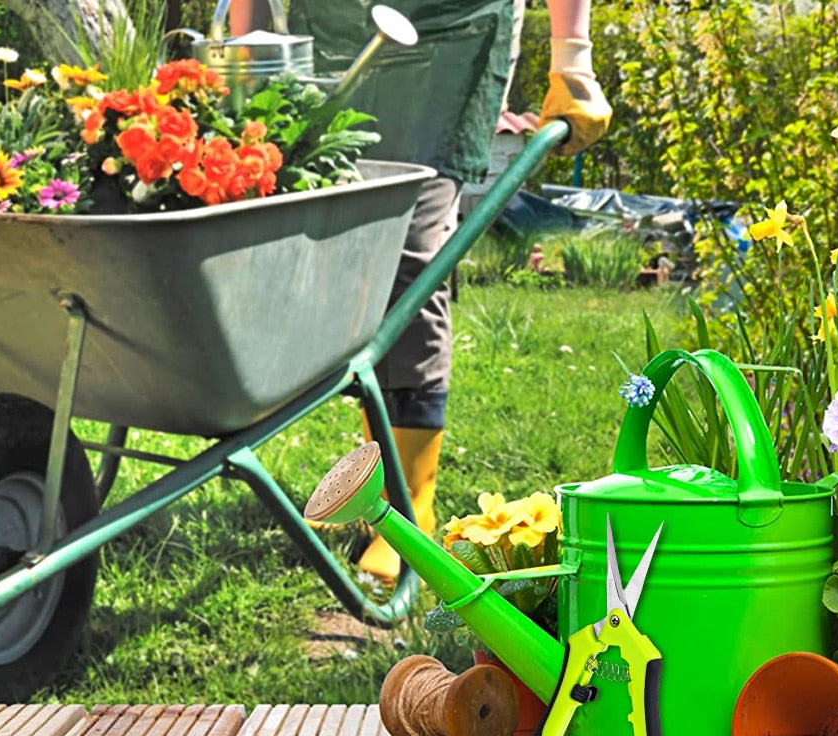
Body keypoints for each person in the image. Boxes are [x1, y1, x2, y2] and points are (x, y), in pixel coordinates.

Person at [232, 0, 611, 580]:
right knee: (330, 230)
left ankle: (406, 511)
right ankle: (367, 492)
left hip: (454, 33)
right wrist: (249, 50)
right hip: (333, 27)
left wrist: (573, 60)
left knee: (411, 247)